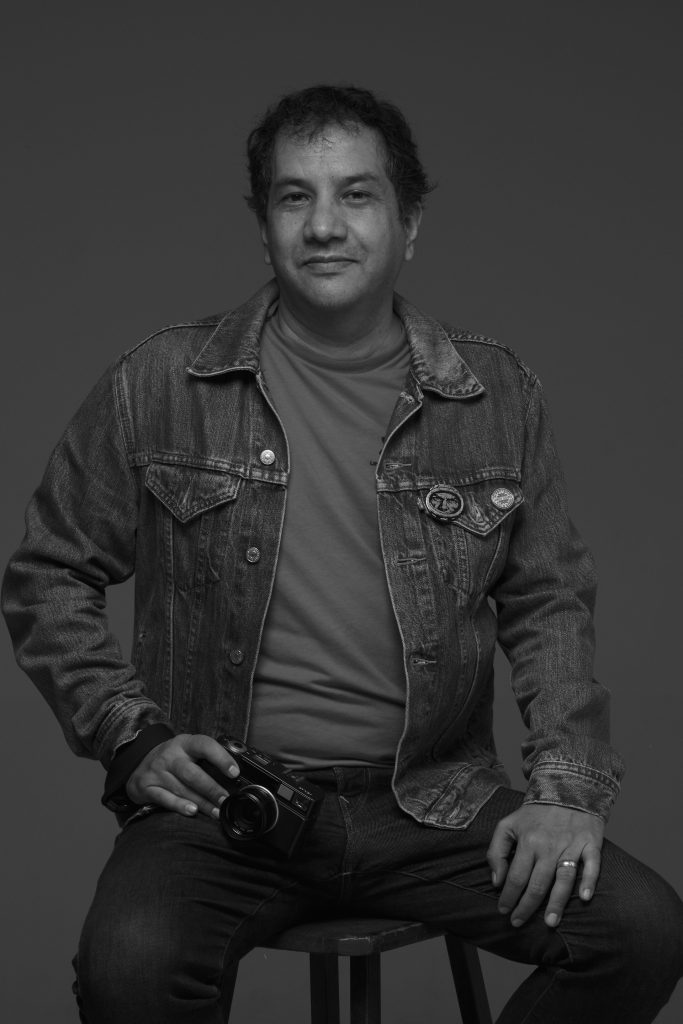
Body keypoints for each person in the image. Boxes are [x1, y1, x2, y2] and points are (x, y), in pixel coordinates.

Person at [2, 84, 682, 1023]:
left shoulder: (494, 395)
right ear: (264, 225)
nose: (324, 225)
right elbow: (47, 573)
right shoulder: (159, 382)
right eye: (295, 197)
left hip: (432, 805)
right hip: (228, 808)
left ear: (409, 224)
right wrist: (131, 736)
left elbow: (548, 601)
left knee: (640, 932)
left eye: (356, 195)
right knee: (129, 969)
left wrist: (566, 791)